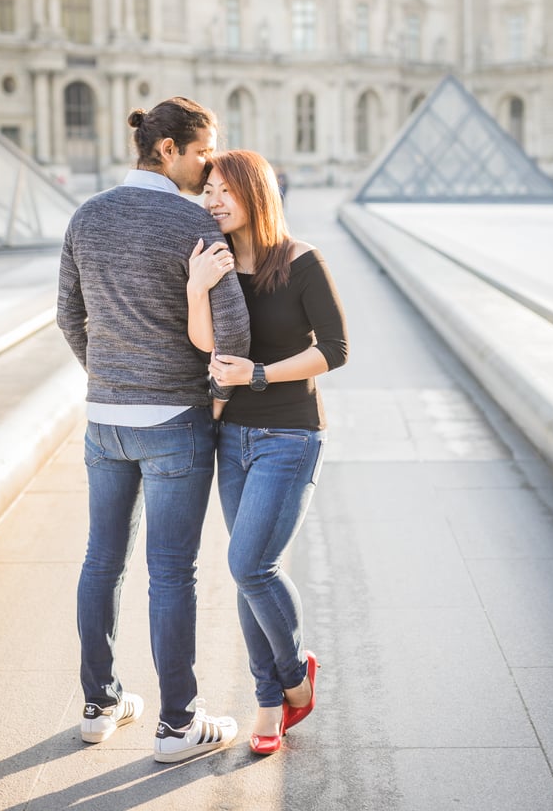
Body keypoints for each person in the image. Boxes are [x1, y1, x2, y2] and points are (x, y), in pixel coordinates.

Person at [56, 96, 251, 763]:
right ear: (167, 149)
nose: (208, 166)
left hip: (105, 419)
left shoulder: (88, 216)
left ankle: (99, 703)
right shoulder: (193, 225)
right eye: (202, 152)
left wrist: (107, 376)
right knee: (170, 574)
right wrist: (206, 389)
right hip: (174, 420)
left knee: (100, 560)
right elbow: (232, 334)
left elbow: (68, 315)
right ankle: (177, 724)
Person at [186, 150, 348, 755]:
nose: (214, 201)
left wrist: (258, 375)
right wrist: (198, 288)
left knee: (252, 565)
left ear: (257, 192)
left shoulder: (304, 261)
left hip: (291, 435)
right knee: (248, 573)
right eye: (208, 192)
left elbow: (335, 350)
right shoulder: (215, 261)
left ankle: (289, 678)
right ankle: (270, 698)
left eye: (225, 190)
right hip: (232, 438)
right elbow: (204, 343)